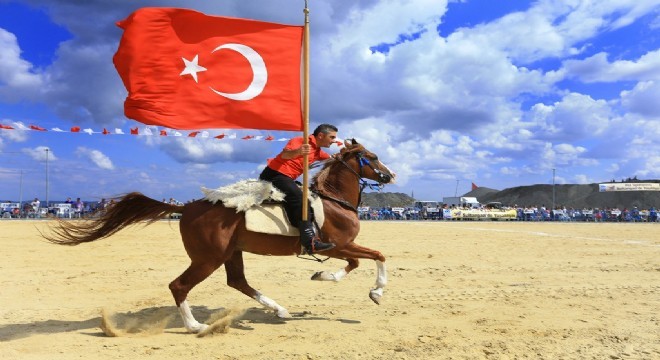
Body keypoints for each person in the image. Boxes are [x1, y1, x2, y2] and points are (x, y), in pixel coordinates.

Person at [259, 124, 338, 255]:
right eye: (332, 137)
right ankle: (310, 243)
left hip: (287, 178)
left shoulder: (318, 151)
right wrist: (298, 152)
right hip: (275, 174)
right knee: (301, 200)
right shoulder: (300, 141)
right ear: (320, 135)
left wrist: (337, 157)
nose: (334, 140)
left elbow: (331, 159)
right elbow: (284, 155)